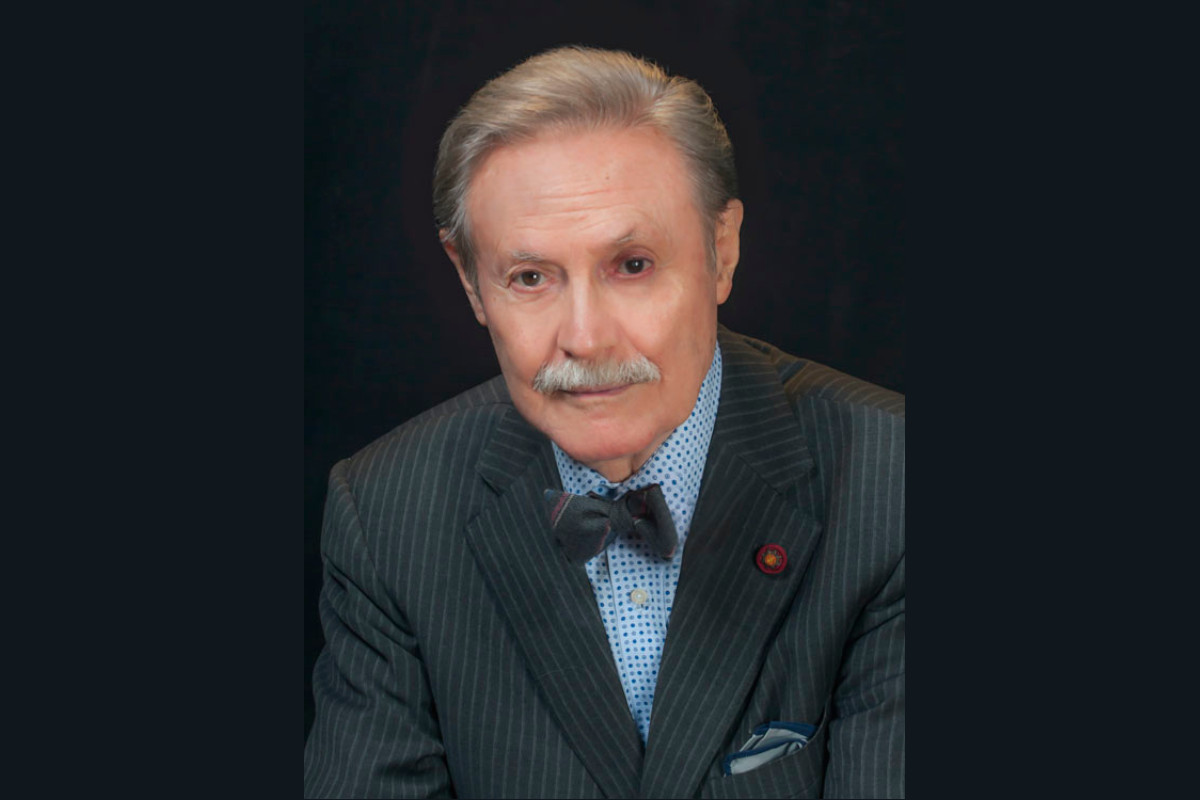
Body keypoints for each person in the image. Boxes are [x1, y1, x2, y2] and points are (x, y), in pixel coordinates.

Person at [304, 46, 904, 799]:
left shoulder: (891, 484)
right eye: (530, 277)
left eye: (633, 265)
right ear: (472, 284)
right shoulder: (386, 515)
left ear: (722, 252)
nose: (585, 339)